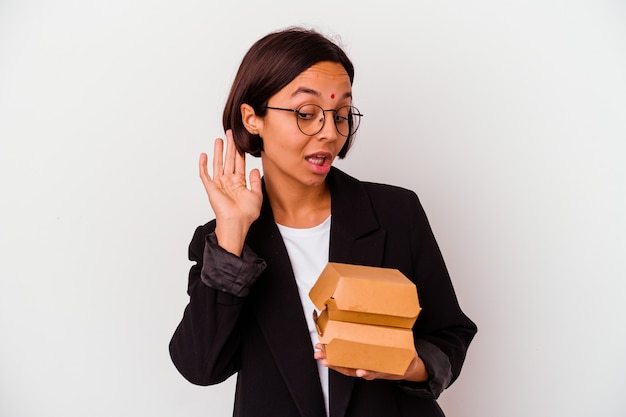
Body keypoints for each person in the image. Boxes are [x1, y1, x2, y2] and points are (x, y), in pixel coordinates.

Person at [169, 26, 477, 417]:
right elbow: (200, 366)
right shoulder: (224, 242)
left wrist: (412, 366)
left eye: (342, 114)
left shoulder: (397, 213)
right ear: (252, 118)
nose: (331, 133)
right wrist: (232, 231)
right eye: (306, 114)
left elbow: (449, 333)